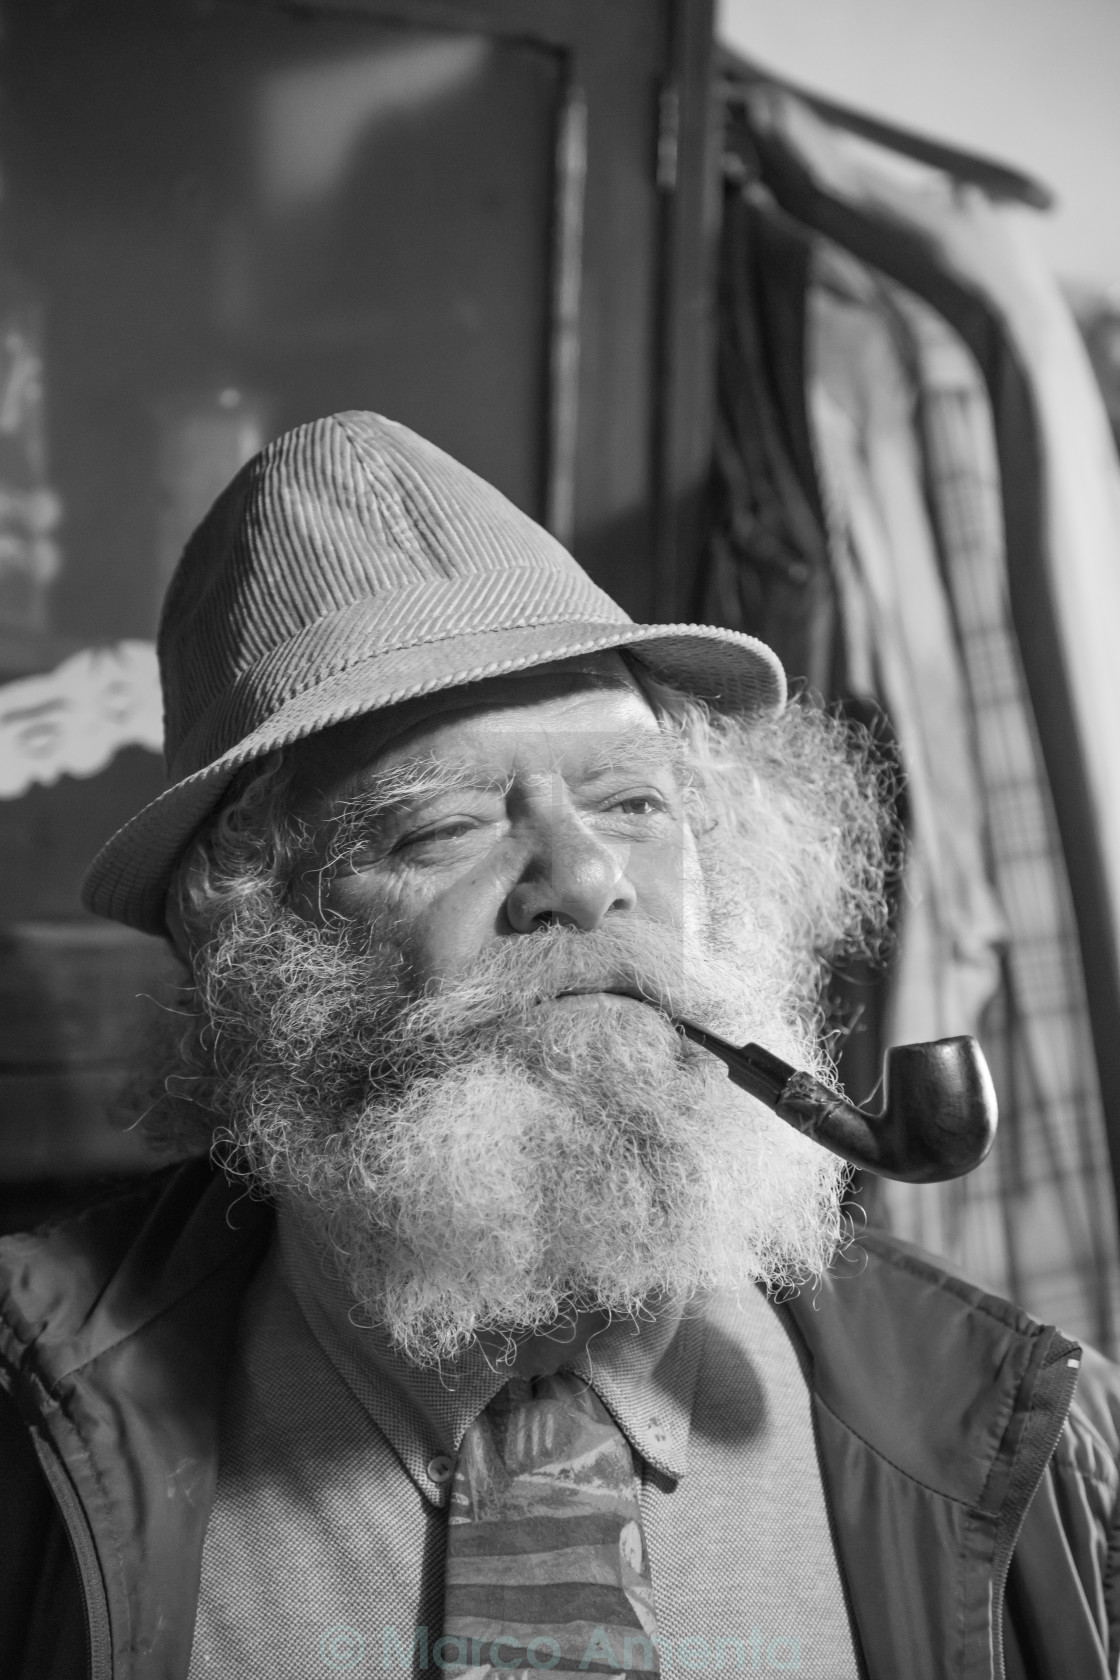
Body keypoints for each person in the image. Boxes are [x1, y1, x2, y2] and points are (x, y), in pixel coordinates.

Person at [1, 412, 1117, 1680]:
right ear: (255, 939)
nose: (583, 881)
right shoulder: (28, 1428)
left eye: (633, 804)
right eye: (443, 827)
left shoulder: (1030, 1426)